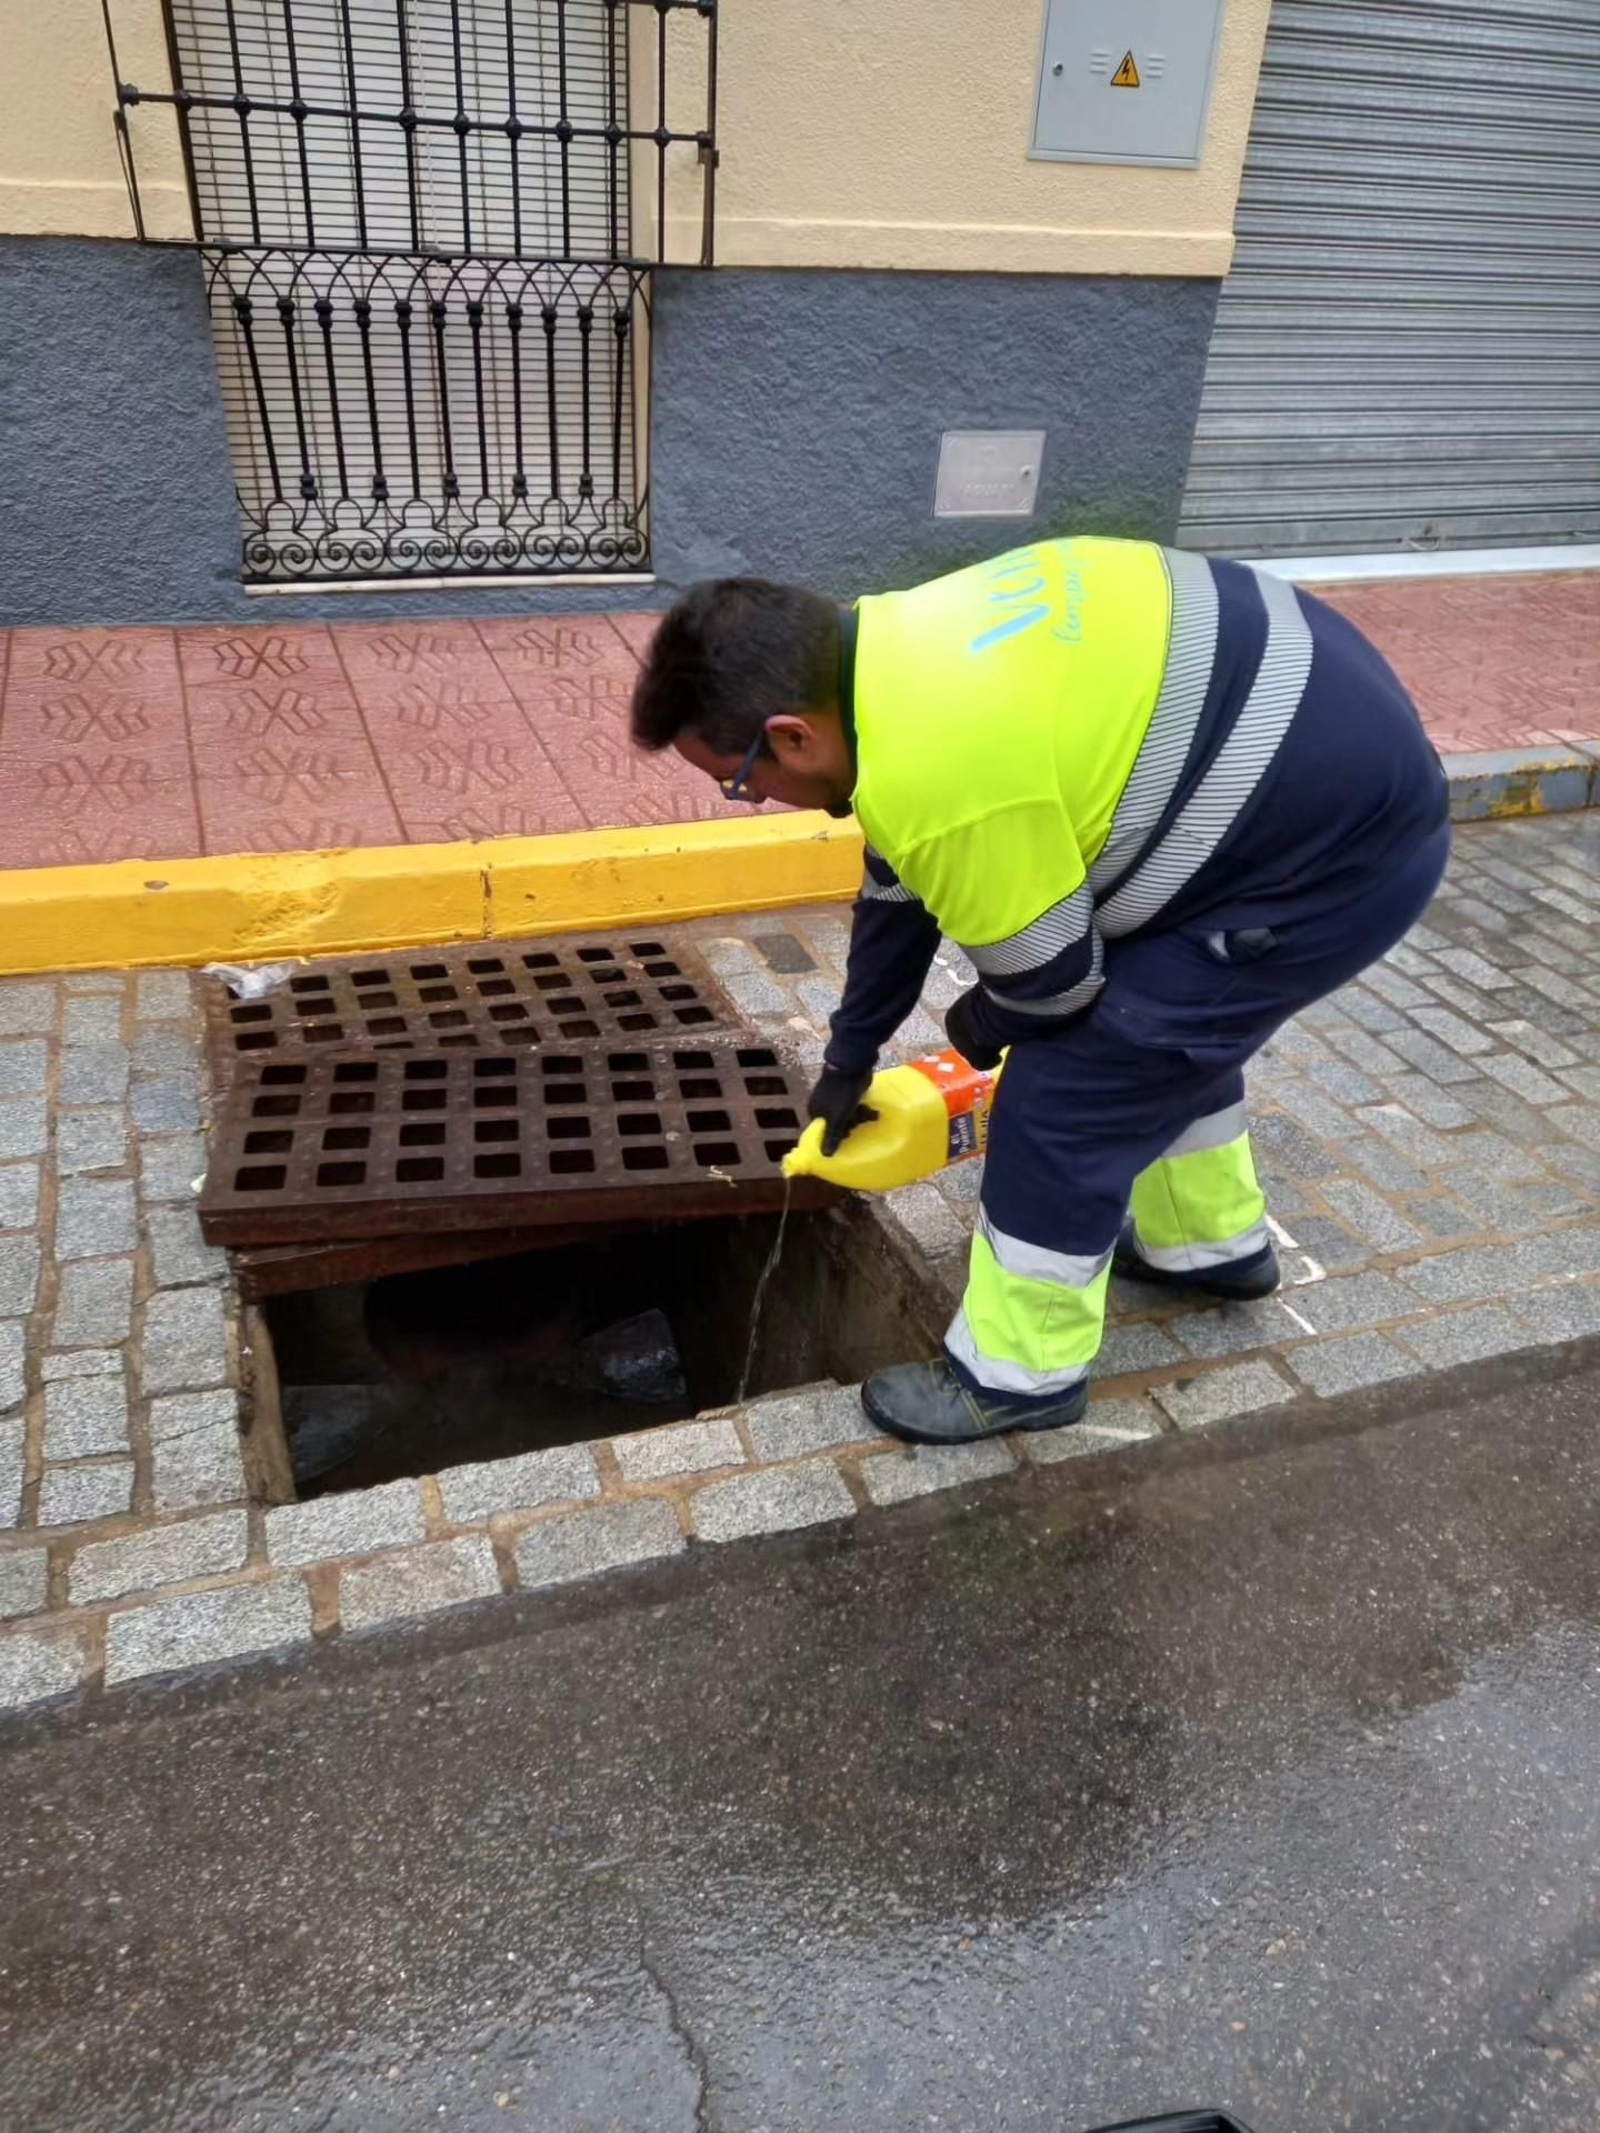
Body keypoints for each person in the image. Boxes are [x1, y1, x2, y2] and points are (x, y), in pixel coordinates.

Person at [629, 537, 1450, 1446]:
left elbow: (1052, 989)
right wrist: (849, 1055)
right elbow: (898, 889)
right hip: (1320, 765)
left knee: (1072, 1088)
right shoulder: (892, 648)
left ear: (791, 735)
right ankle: (1210, 1249)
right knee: (1160, 1034)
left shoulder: (938, 767)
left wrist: (968, 1027)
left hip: (1327, 860)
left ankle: (1019, 1375)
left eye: (739, 782)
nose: (749, 799)